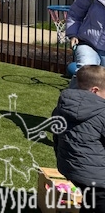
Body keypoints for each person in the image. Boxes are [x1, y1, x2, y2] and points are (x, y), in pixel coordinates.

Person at [53, 65, 105, 213]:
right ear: (94, 91)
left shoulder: (61, 108)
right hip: (98, 178)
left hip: (72, 170)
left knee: (90, 201)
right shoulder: (102, 112)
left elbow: (56, 138)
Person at [65, 0, 105, 85]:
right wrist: (73, 34)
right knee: (84, 75)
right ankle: (71, 95)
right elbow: (75, 13)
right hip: (88, 43)